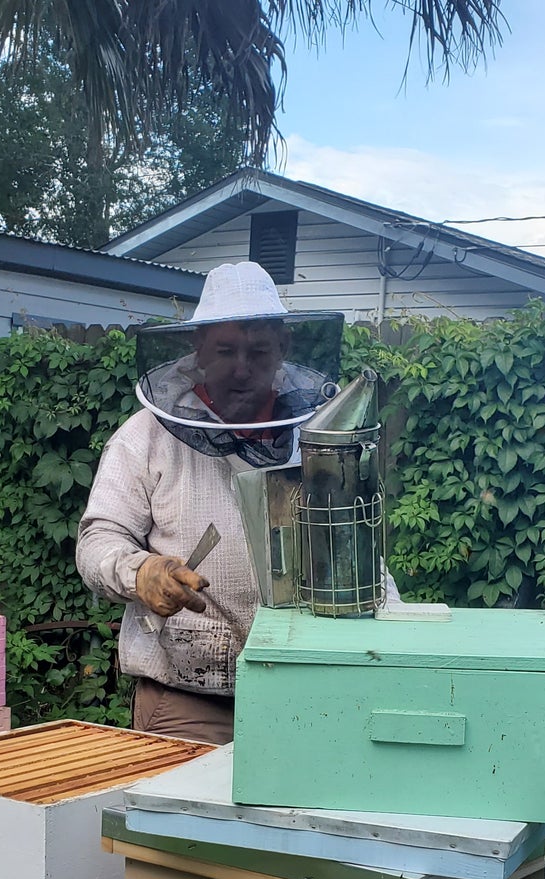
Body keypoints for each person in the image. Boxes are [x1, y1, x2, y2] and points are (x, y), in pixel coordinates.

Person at [77, 261, 395, 744]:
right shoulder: (143, 437)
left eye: (258, 351)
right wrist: (140, 571)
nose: (242, 368)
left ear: (283, 349)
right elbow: (99, 538)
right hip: (186, 700)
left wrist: (400, 636)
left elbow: (356, 548)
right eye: (225, 350)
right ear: (198, 349)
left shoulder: (316, 438)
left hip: (305, 692)